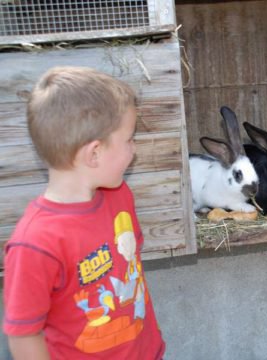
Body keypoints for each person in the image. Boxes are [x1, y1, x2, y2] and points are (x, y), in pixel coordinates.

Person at [3, 66, 165, 359]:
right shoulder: (35, 243)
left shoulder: (119, 197)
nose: (134, 150)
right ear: (94, 153)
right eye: (129, 139)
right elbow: (24, 334)